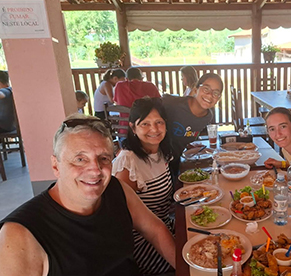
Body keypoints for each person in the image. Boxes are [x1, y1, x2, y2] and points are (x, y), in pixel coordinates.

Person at [0, 114, 175, 275]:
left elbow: (155, 230)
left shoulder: (115, 189)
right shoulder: (18, 235)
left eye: (104, 158)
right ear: (55, 166)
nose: (95, 170)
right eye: (80, 159)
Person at [113, 97, 174, 275]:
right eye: (145, 124)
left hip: (166, 226)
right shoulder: (128, 161)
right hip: (142, 242)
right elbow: (120, 219)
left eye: (158, 122)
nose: (154, 129)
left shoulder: (161, 151)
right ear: (133, 127)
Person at [163, 73, 223, 177]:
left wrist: (188, 144)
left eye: (216, 92)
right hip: (154, 160)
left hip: (175, 159)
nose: (210, 95)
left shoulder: (207, 117)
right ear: (196, 89)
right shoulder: (172, 104)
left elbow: (185, 133)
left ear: (218, 98)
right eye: (206, 89)